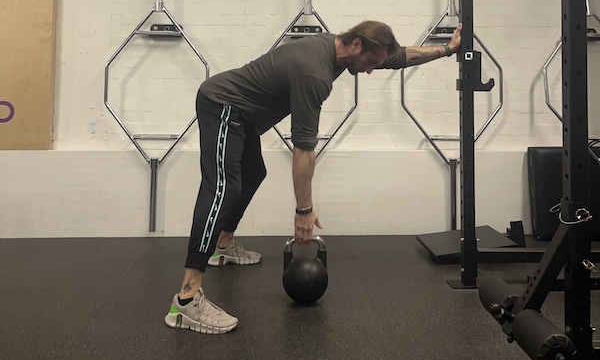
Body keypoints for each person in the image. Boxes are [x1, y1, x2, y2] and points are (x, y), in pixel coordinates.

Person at [165, 20, 462, 334]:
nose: (372, 70)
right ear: (357, 45)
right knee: (223, 188)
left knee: (252, 174)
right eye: (371, 63)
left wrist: (447, 50)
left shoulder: (340, 49)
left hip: (245, 117)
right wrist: (303, 211)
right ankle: (186, 299)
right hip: (223, 105)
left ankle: (222, 246)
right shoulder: (314, 73)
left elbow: (399, 56)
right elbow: (304, 150)